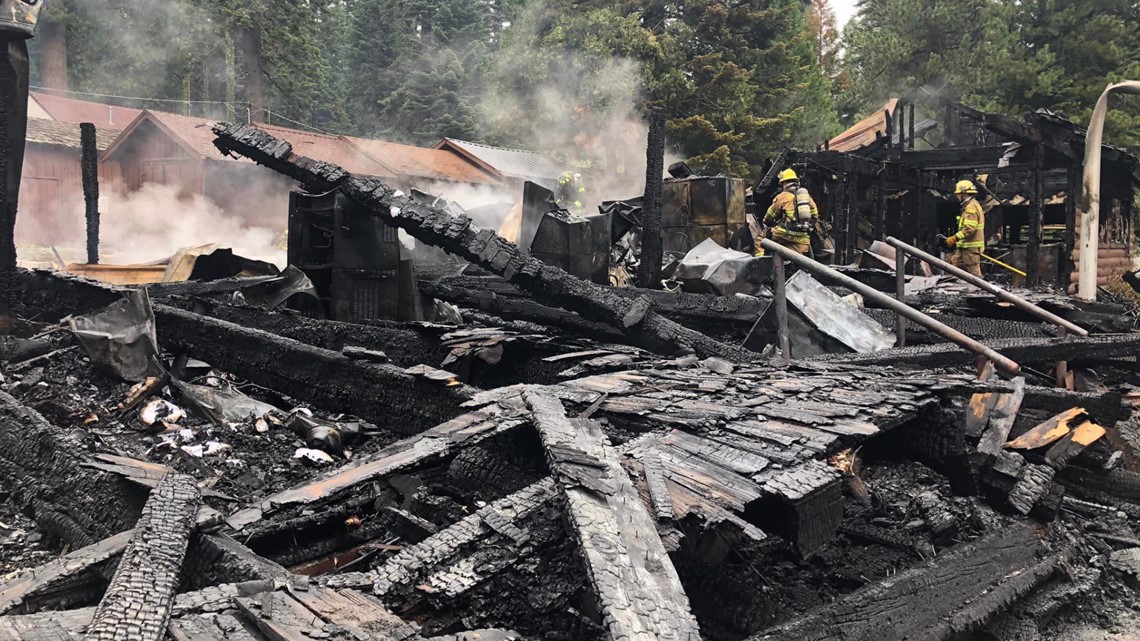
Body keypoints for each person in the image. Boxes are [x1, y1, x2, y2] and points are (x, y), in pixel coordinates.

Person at [763, 168, 818, 255]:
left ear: (784, 183)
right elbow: (815, 215)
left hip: (783, 235)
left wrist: (766, 223)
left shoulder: (783, 197)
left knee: (760, 240)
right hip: (803, 239)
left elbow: (770, 216)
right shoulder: (807, 197)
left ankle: (762, 264)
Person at [946, 179, 985, 277]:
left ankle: (980, 290)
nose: (957, 197)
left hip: (971, 248)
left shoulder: (971, 207)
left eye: (958, 194)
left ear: (963, 194)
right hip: (964, 246)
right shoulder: (970, 205)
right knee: (954, 266)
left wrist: (955, 238)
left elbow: (969, 229)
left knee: (974, 273)